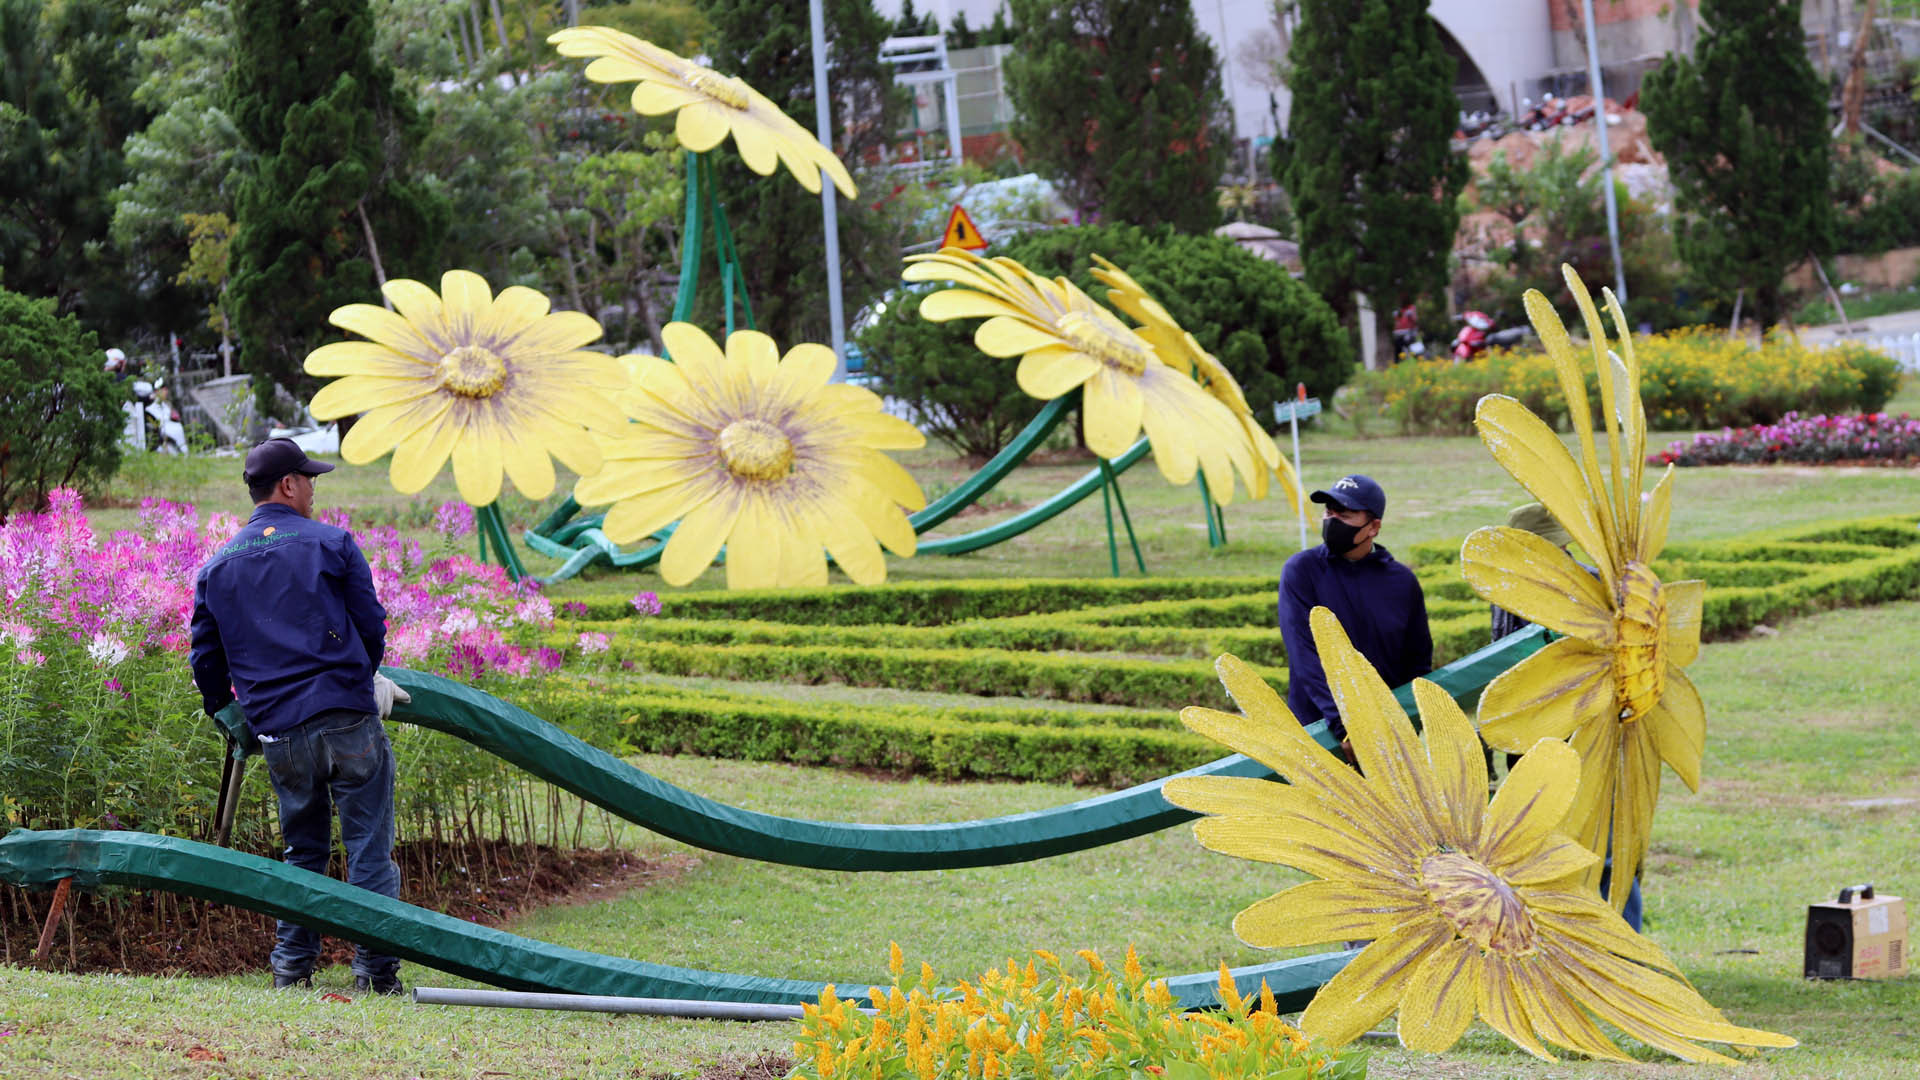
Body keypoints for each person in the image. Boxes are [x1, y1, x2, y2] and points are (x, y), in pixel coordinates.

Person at [188, 438, 406, 994]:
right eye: (309, 479)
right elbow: (372, 625)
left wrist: (230, 715)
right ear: (288, 485)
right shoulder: (332, 544)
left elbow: (206, 662)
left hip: (280, 733)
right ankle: (376, 975)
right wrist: (363, 678)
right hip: (346, 720)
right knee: (367, 849)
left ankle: (291, 971)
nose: (313, 489)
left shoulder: (217, 567)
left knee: (302, 854)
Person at [1487, 501, 1644, 931]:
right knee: (1536, 847)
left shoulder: (1594, 588)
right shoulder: (1507, 591)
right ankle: (1558, 943)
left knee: (1602, 847)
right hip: (1529, 741)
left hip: (1589, 738)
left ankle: (1623, 942)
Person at [1277, 474, 1433, 750]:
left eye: (1345, 514)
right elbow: (1305, 655)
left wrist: (1407, 727)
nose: (1332, 520)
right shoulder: (1302, 571)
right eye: (1329, 511)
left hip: (1384, 734)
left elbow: (1417, 663)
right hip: (1318, 733)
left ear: (1373, 526)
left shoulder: (1402, 582)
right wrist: (1344, 727)